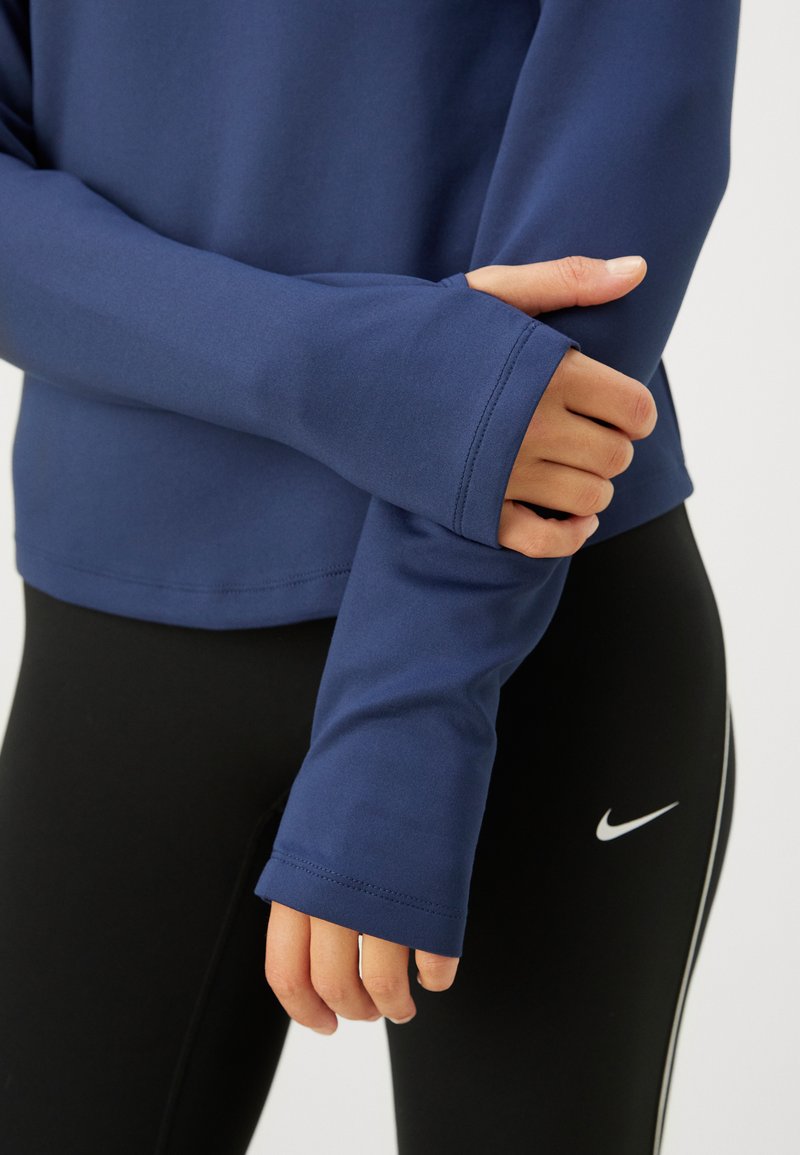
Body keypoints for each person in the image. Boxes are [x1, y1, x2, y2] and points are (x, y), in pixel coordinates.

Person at [0, 1, 740, 1152]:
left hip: (530, 642)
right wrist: (336, 366)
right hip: (112, 657)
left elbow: (623, 174)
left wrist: (412, 701)